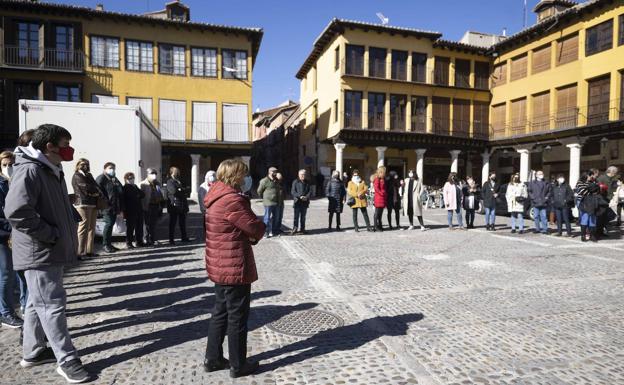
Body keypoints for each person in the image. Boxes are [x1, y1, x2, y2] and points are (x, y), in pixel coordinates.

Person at [5, 124, 91, 383]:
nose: (69, 150)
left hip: (47, 250)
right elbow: (17, 211)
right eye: (65, 144)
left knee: (34, 302)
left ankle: (32, 352)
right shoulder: (30, 169)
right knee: (52, 305)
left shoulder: (50, 168)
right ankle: (67, 359)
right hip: (39, 251)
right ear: (49, 146)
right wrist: (51, 234)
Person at [204, 158, 265, 378]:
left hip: (220, 263)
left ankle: (213, 358)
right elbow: (254, 228)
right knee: (237, 316)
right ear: (235, 175)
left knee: (220, 312)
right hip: (233, 265)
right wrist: (260, 223)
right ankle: (238, 365)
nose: (246, 177)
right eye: (244, 173)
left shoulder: (215, 194)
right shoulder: (232, 200)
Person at [0, 151, 24, 328]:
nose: (9, 168)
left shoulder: (16, 182)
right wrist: (13, 227)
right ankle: (6, 312)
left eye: (11, 164)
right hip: (3, 235)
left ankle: (24, 305)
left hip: (17, 234)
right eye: (5, 164)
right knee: (6, 275)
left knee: (19, 274)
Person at [71, 158, 101, 259]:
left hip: (92, 203)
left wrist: (96, 190)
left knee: (92, 228)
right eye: (83, 164)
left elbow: (96, 186)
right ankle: (80, 253)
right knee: (83, 228)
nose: (85, 166)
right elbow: (86, 188)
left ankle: (89, 251)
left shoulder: (89, 175)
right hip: (82, 203)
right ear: (78, 165)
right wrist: (95, 191)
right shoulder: (77, 175)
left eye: (87, 164)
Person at [96, 162, 124, 253]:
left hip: (114, 206)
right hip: (106, 206)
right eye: (110, 168)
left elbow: (120, 189)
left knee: (111, 224)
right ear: (105, 169)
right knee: (108, 223)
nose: (112, 170)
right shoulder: (102, 178)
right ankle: (105, 244)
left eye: (113, 168)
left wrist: (116, 182)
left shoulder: (113, 179)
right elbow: (99, 191)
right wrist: (105, 202)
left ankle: (109, 243)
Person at [166, 166, 190, 245]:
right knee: (172, 223)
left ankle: (184, 237)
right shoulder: (170, 181)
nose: (177, 173)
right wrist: (182, 189)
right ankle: (171, 239)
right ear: (172, 172)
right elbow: (173, 191)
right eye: (176, 171)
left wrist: (181, 189)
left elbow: (188, 189)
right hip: (174, 205)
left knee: (182, 223)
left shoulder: (179, 180)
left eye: (178, 171)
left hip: (182, 205)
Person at [140, 168, 163, 246]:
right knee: (147, 224)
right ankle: (146, 239)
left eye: (155, 174)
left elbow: (160, 194)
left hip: (156, 205)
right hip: (147, 205)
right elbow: (141, 197)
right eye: (152, 174)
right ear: (148, 174)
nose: (154, 175)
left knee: (154, 223)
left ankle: (152, 239)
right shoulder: (143, 184)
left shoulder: (157, 183)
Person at [122, 172, 145, 248]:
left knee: (139, 226)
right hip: (130, 210)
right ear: (126, 179)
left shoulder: (135, 186)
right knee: (130, 227)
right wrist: (136, 195)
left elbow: (142, 194)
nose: (131, 179)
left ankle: (139, 241)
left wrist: (137, 195)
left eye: (132, 178)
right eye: (129, 178)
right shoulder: (125, 187)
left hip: (138, 209)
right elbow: (130, 197)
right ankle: (129, 243)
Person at [575, 171, 599, 242]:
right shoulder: (580, 182)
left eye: (591, 176)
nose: (591, 177)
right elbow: (582, 192)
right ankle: (583, 235)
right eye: (589, 175)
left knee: (592, 219)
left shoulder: (593, 182)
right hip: (584, 202)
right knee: (585, 218)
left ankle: (592, 235)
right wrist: (591, 190)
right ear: (585, 176)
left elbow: (597, 191)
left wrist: (591, 189)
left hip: (593, 202)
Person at [257, 167, 280, 238]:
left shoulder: (276, 180)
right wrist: (264, 198)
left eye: (276, 172)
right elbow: (259, 191)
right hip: (268, 203)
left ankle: (273, 231)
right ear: (269, 172)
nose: (275, 173)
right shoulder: (264, 181)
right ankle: (265, 232)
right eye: (274, 172)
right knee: (267, 218)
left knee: (276, 218)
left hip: (276, 202)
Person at [527, 170, 553, 235]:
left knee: (544, 217)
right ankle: (537, 229)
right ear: (536, 175)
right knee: (536, 216)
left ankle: (545, 229)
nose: (541, 175)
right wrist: (533, 198)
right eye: (539, 174)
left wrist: (546, 197)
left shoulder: (546, 183)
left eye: (542, 173)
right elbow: (529, 191)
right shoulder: (532, 183)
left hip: (543, 202)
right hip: (535, 202)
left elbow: (549, 191)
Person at [291, 169, 311, 234]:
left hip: (305, 202)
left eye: (304, 174)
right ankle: (295, 228)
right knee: (296, 217)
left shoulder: (307, 182)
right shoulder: (295, 182)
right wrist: (300, 196)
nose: (303, 176)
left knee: (303, 217)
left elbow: (310, 191)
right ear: (298, 175)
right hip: (297, 202)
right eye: (302, 174)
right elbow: (293, 191)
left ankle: (302, 229)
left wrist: (306, 197)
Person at [373, 167, 387, 231]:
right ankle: (375, 226)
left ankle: (380, 225)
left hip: (382, 198)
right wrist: (382, 193)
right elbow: (376, 188)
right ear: (381, 172)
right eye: (384, 172)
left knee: (380, 213)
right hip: (378, 198)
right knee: (377, 213)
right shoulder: (377, 179)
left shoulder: (383, 179)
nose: (385, 173)